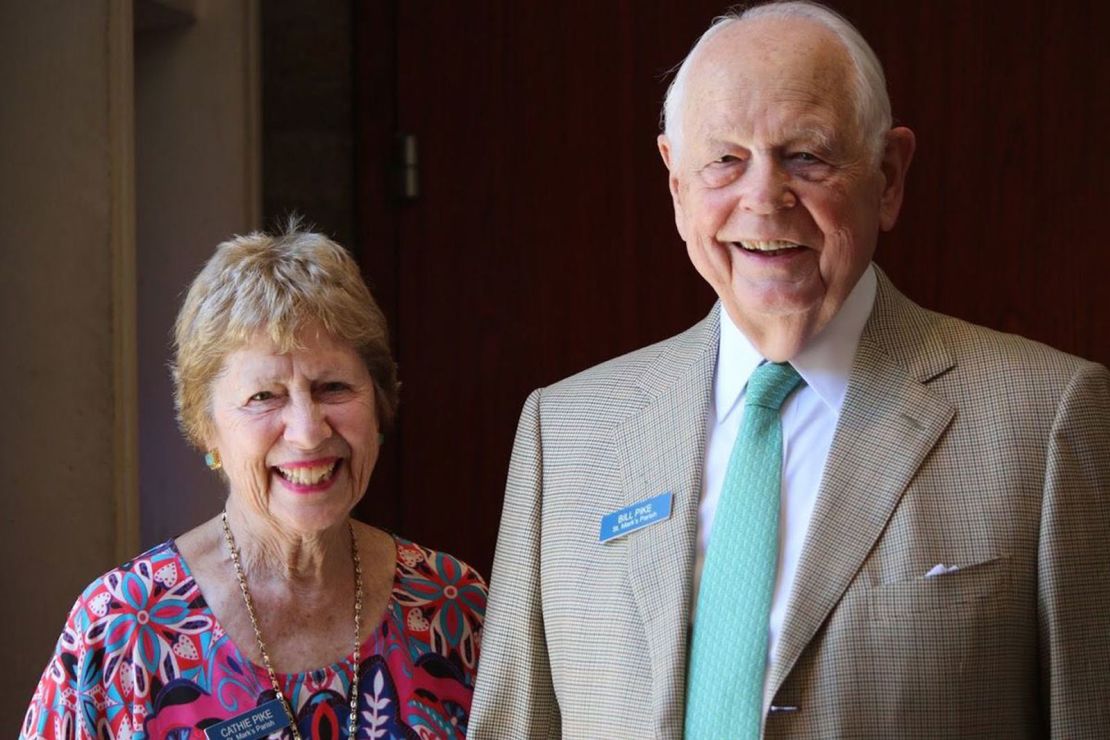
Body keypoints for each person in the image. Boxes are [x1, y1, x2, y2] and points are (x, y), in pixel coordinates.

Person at [469, 2, 1110, 738]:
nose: (764, 200)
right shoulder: (566, 431)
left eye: (806, 155)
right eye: (725, 160)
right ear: (676, 184)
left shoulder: (1046, 419)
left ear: (890, 176)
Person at [22, 226, 487, 739]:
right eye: (265, 396)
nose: (308, 433)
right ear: (207, 429)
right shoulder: (120, 631)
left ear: (378, 405)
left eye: (333, 387)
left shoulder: (452, 607)